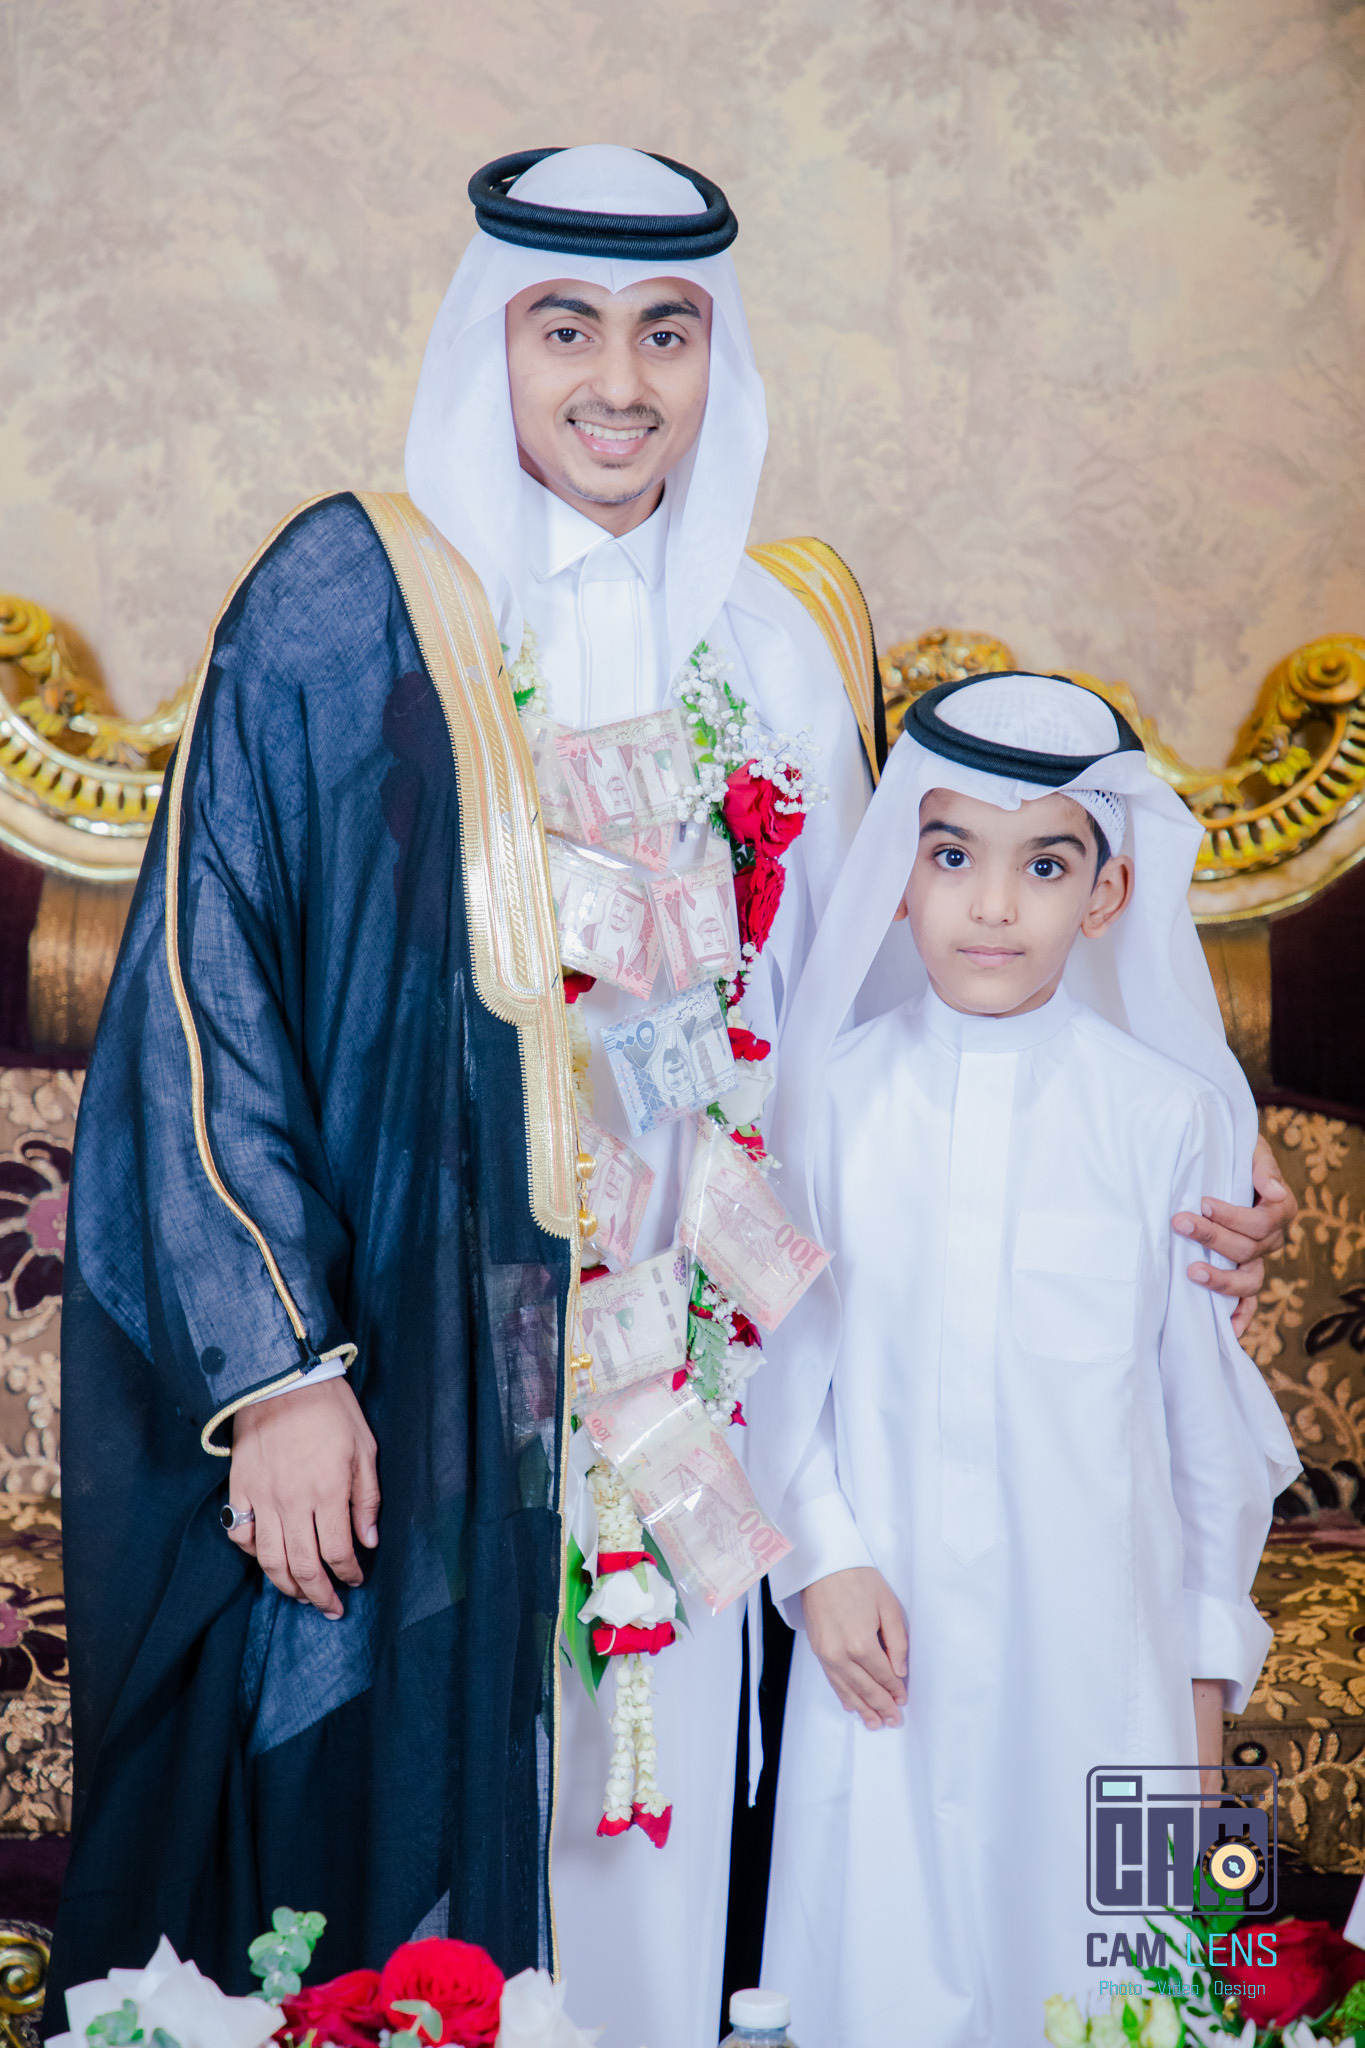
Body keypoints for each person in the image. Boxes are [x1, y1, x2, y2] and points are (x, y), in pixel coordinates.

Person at [50, 141, 1291, 2047]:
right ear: (493, 338)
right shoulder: (347, 600)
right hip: (429, 1371)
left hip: (722, 1389)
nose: (618, 382)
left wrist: (1197, 1187)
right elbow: (208, 997)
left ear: (721, 355)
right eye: (566, 327)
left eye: (667, 331)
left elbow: (904, 1015)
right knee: (417, 1864)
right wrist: (281, 1374)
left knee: (693, 1854)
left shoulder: (784, 635)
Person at [750, 673, 1302, 2048]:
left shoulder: (1170, 1121)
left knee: (1119, 1996)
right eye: (952, 857)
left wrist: (1195, 1732)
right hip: (880, 1666)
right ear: (898, 875)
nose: (991, 906)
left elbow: (1205, 1448)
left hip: (1105, 1689)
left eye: (1043, 866)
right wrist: (820, 1560)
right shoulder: (818, 1107)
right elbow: (771, 1376)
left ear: (1105, 896)